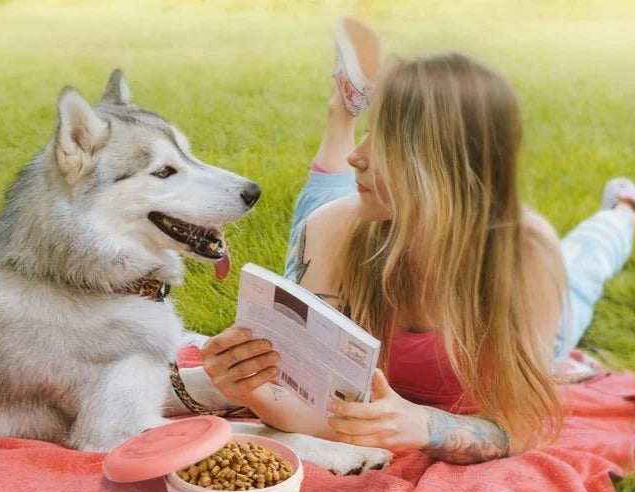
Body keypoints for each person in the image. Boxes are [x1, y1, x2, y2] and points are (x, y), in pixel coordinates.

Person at [199, 18, 635, 465]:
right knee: (324, 210)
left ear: (443, 165)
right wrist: (251, 389)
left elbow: (526, 424)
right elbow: (310, 404)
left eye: (384, 140)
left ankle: (624, 209)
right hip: (357, 228)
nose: (357, 155)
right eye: (369, 132)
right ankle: (342, 112)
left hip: (516, 280)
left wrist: (424, 426)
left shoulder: (524, 253)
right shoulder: (332, 228)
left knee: (583, 270)